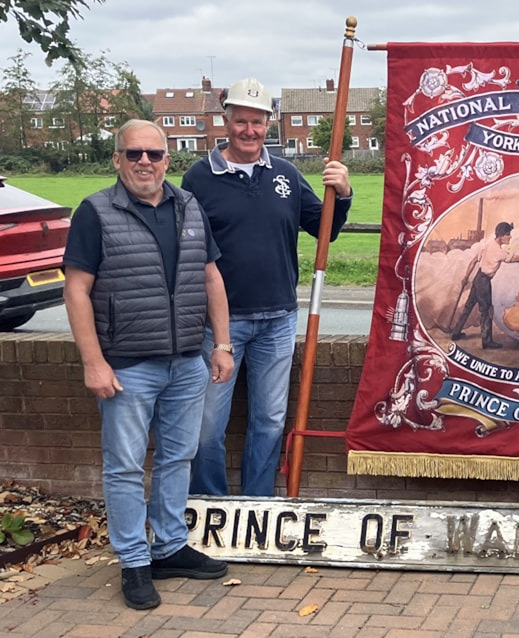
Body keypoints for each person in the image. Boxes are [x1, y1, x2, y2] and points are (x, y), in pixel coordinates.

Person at [62, 119, 234, 610]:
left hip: (185, 361)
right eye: (134, 153)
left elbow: (210, 277)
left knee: (179, 457)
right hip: (128, 365)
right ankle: (135, 561)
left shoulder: (189, 207)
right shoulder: (96, 211)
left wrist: (222, 344)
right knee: (124, 467)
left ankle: (171, 546)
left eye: (154, 154)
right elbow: (77, 290)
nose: (145, 162)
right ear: (117, 159)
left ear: (167, 160)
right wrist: (93, 363)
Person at [184, 77, 352, 497]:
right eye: (241, 121)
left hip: (278, 318)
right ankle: (212, 506)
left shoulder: (286, 174)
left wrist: (344, 193)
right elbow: (185, 251)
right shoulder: (199, 179)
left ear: (268, 124)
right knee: (207, 425)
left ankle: (258, 504)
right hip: (222, 325)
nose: (249, 131)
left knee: (271, 421)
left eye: (257, 123)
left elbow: (323, 228)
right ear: (227, 122)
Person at [451, 221, 519, 349]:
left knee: (468, 306)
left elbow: (473, 262)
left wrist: (466, 277)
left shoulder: (487, 245)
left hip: (478, 278)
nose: (510, 237)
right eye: (508, 234)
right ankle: (487, 341)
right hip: (483, 282)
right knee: (486, 311)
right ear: (501, 235)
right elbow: (518, 258)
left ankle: (455, 333)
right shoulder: (498, 251)